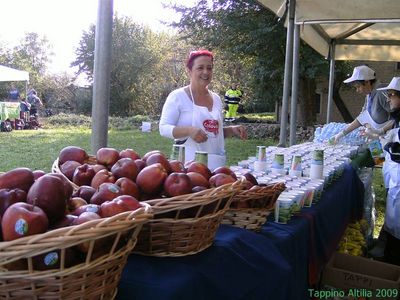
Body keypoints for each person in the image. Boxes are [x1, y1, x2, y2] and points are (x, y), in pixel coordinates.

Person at [159, 49, 247, 171]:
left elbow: (212, 132)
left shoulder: (216, 99)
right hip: (188, 169)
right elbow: (163, 128)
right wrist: (189, 131)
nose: (206, 72)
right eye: (200, 68)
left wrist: (232, 130)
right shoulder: (177, 96)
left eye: (209, 68)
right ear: (189, 71)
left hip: (216, 168)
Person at [369, 77, 400, 265]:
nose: (388, 99)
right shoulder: (397, 118)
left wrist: (387, 145)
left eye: (391, 95)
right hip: (395, 179)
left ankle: (393, 262)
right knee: (393, 220)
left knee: (397, 223)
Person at [333, 65, 392, 144]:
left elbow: (397, 118)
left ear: (367, 82)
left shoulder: (381, 93)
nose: (357, 90)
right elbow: (362, 118)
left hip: (390, 141)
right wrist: (341, 134)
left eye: (358, 87)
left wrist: (381, 131)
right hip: (380, 141)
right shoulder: (369, 95)